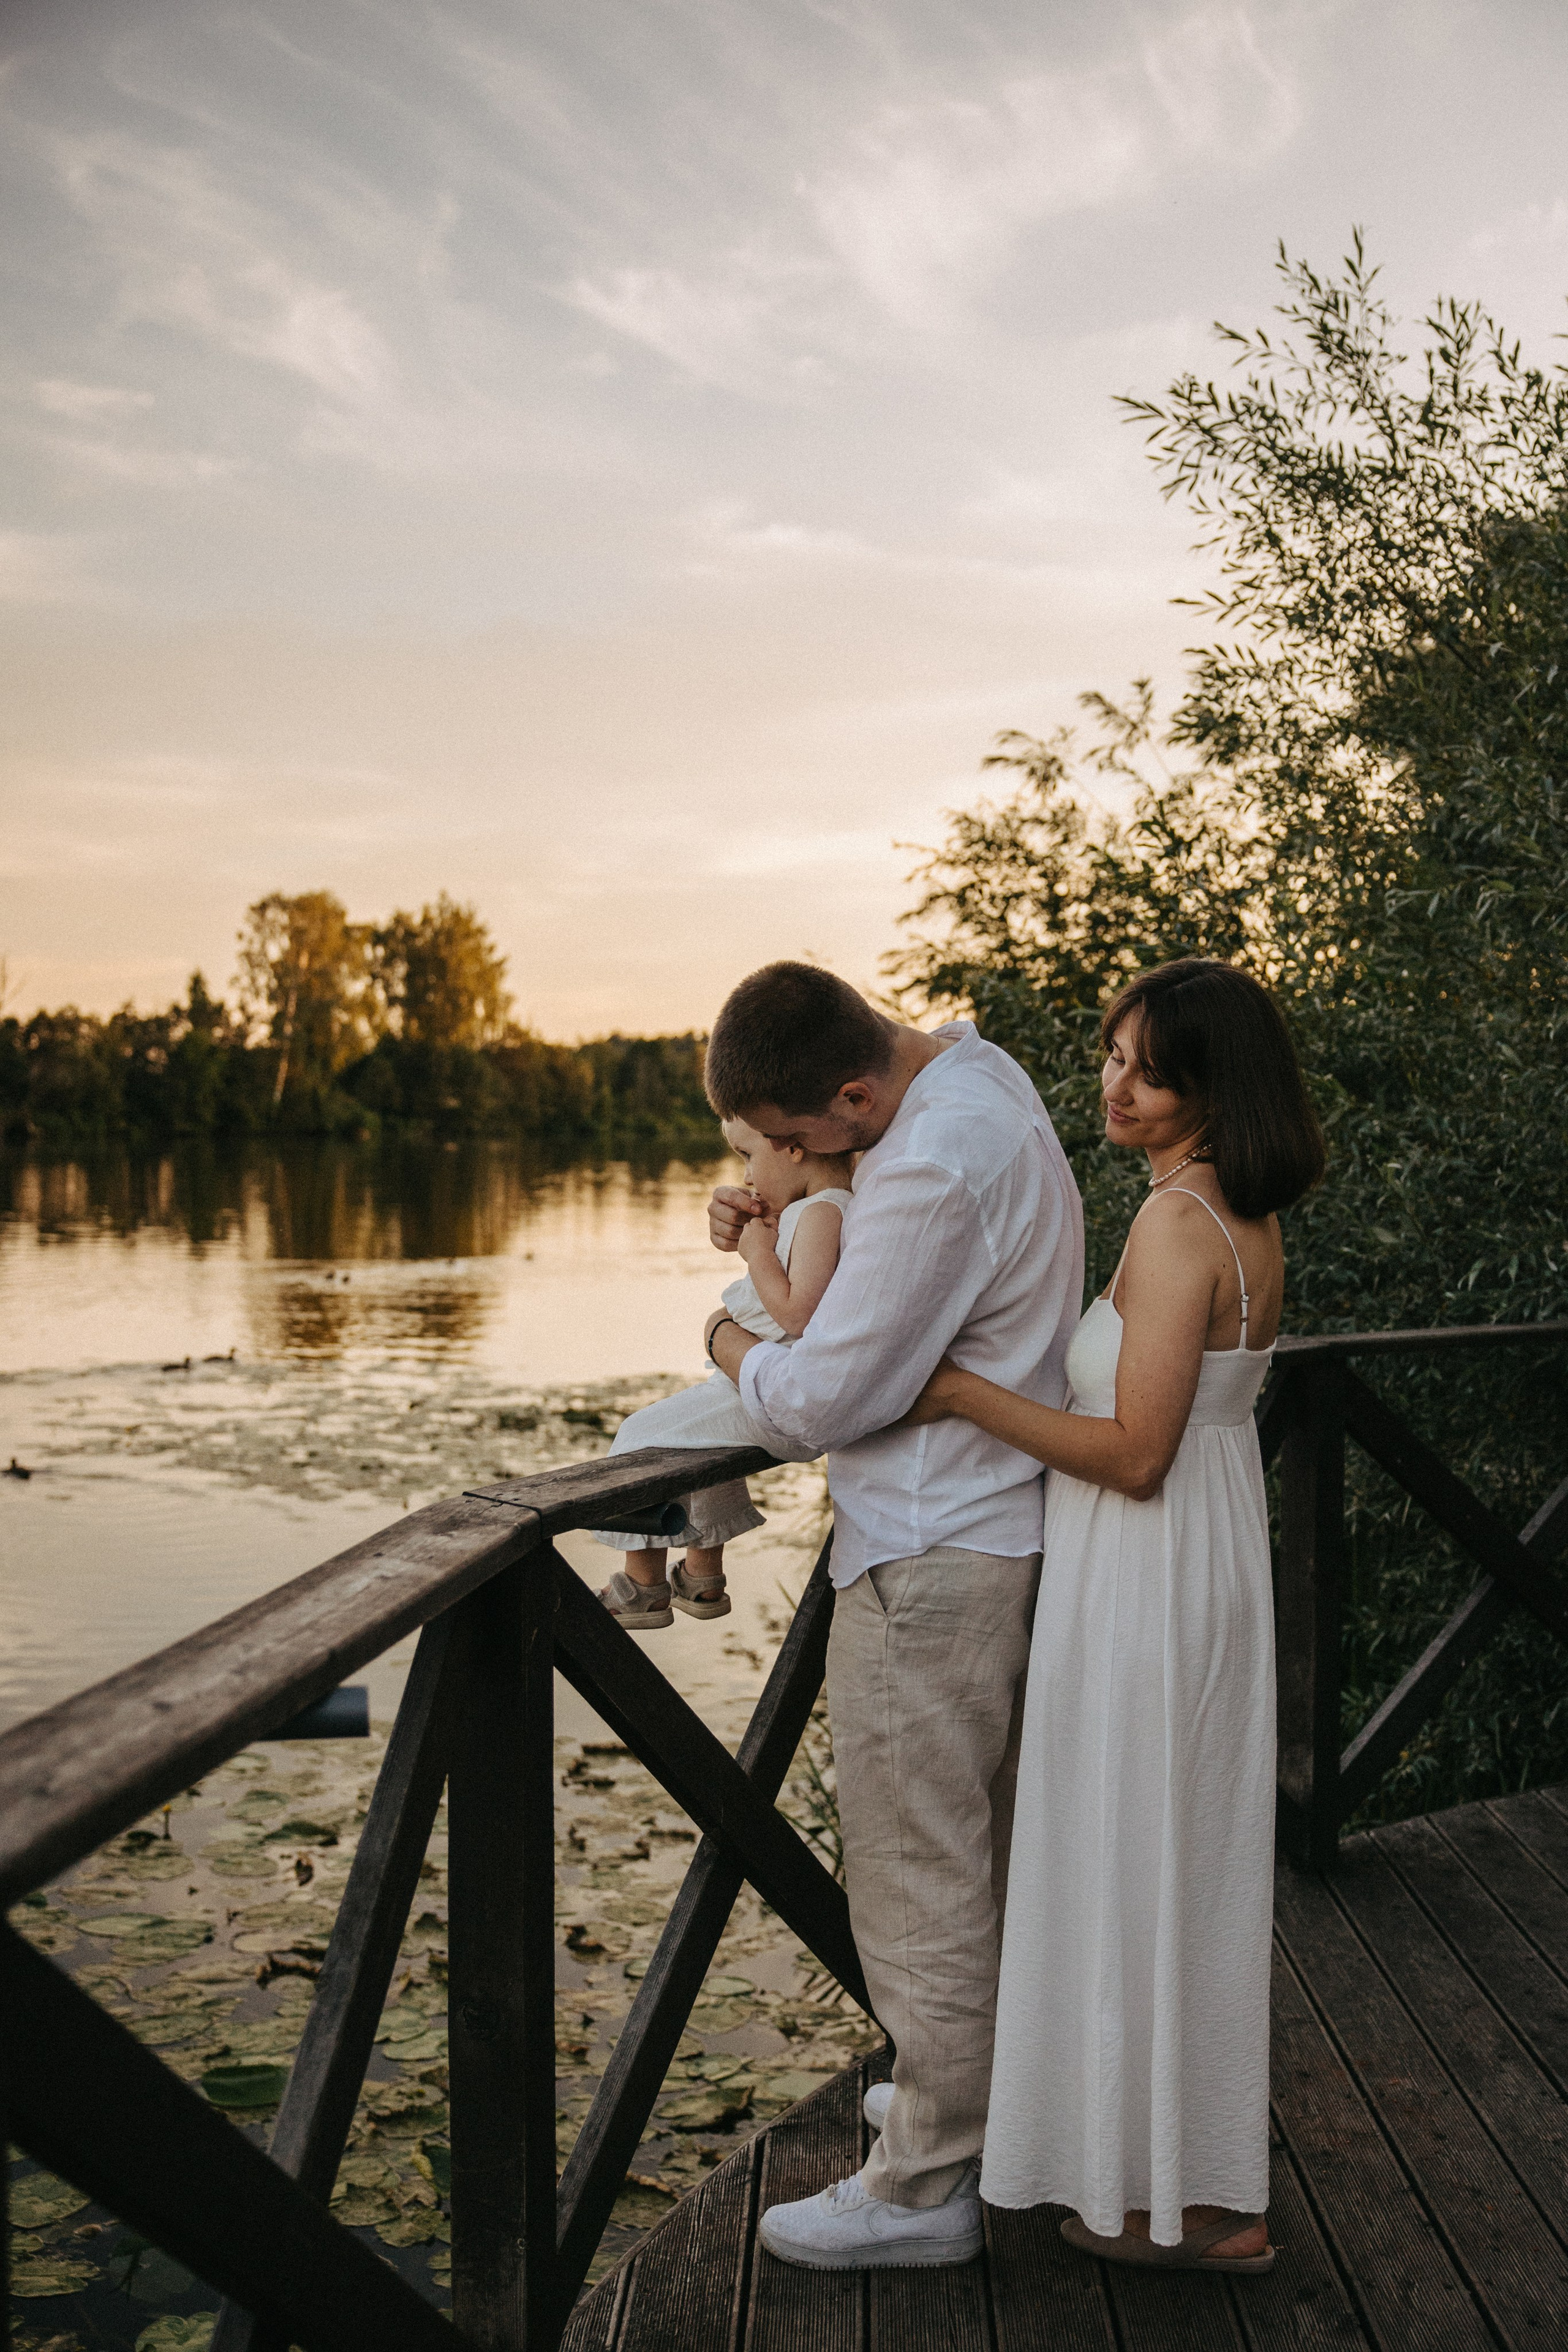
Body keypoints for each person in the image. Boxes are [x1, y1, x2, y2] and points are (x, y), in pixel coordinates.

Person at [903, 958, 1325, 2275]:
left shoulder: (1173, 1224)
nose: (1113, 1084)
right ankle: (1180, 2183)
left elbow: (1133, 1450)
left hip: (1145, 1565)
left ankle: (1195, 2210)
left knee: (1139, 1846)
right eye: (1109, 1054)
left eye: (1146, 1067)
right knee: (1170, 1857)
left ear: (1210, 1085)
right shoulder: (1235, 1217)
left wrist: (959, 1395)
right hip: (1196, 1558)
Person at [699, 961, 1083, 2271]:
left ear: (855, 1092)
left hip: (929, 1550)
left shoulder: (924, 1170)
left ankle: (922, 2190)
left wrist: (727, 1340)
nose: (793, 1165)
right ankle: (965, 2102)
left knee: (918, 1877)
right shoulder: (974, 1075)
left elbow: (822, 1397)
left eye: (799, 1140)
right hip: (990, 1530)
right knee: (974, 1855)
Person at [590, 1115, 854, 1630]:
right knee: (699, 1445)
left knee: (638, 1436)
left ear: (792, 1147)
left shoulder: (824, 1213)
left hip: (773, 1396)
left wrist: (757, 1256)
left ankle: (643, 1586)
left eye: (748, 1156)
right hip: (753, 1385)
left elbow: (800, 1315)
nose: (748, 1176)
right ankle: (700, 1576)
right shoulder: (813, 1210)